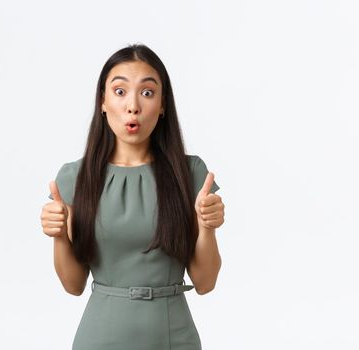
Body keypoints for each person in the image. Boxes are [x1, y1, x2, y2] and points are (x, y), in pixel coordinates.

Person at [40, 43, 226, 350]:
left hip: (172, 337)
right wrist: (59, 236)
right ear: (102, 101)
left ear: (163, 105)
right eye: (120, 91)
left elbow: (205, 283)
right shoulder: (76, 178)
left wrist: (208, 226)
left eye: (148, 93)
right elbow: (73, 286)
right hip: (100, 337)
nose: (133, 106)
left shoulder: (189, 173)